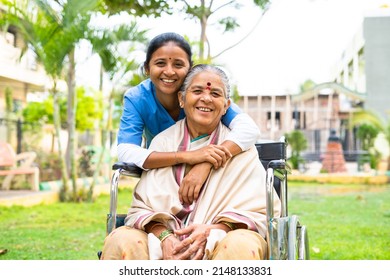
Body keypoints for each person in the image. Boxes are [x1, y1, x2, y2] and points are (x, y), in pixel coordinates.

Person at [101, 64, 281, 260]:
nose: (206, 98)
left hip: (222, 238)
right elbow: (143, 208)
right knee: (121, 240)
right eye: (197, 91)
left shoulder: (241, 148)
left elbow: (259, 211)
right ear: (181, 99)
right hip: (161, 241)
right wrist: (165, 236)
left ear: (226, 106)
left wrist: (212, 230)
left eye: (215, 93)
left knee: (240, 245)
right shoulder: (163, 142)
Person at [117, 32, 260, 204]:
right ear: (147, 68)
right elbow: (126, 151)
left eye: (178, 64)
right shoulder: (137, 98)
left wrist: (205, 162)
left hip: (211, 179)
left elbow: (248, 129)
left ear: (189, 68)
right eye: (160, 63)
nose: (169, 71)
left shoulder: (205, 99)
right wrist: (188, 156)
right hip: (163, 176)